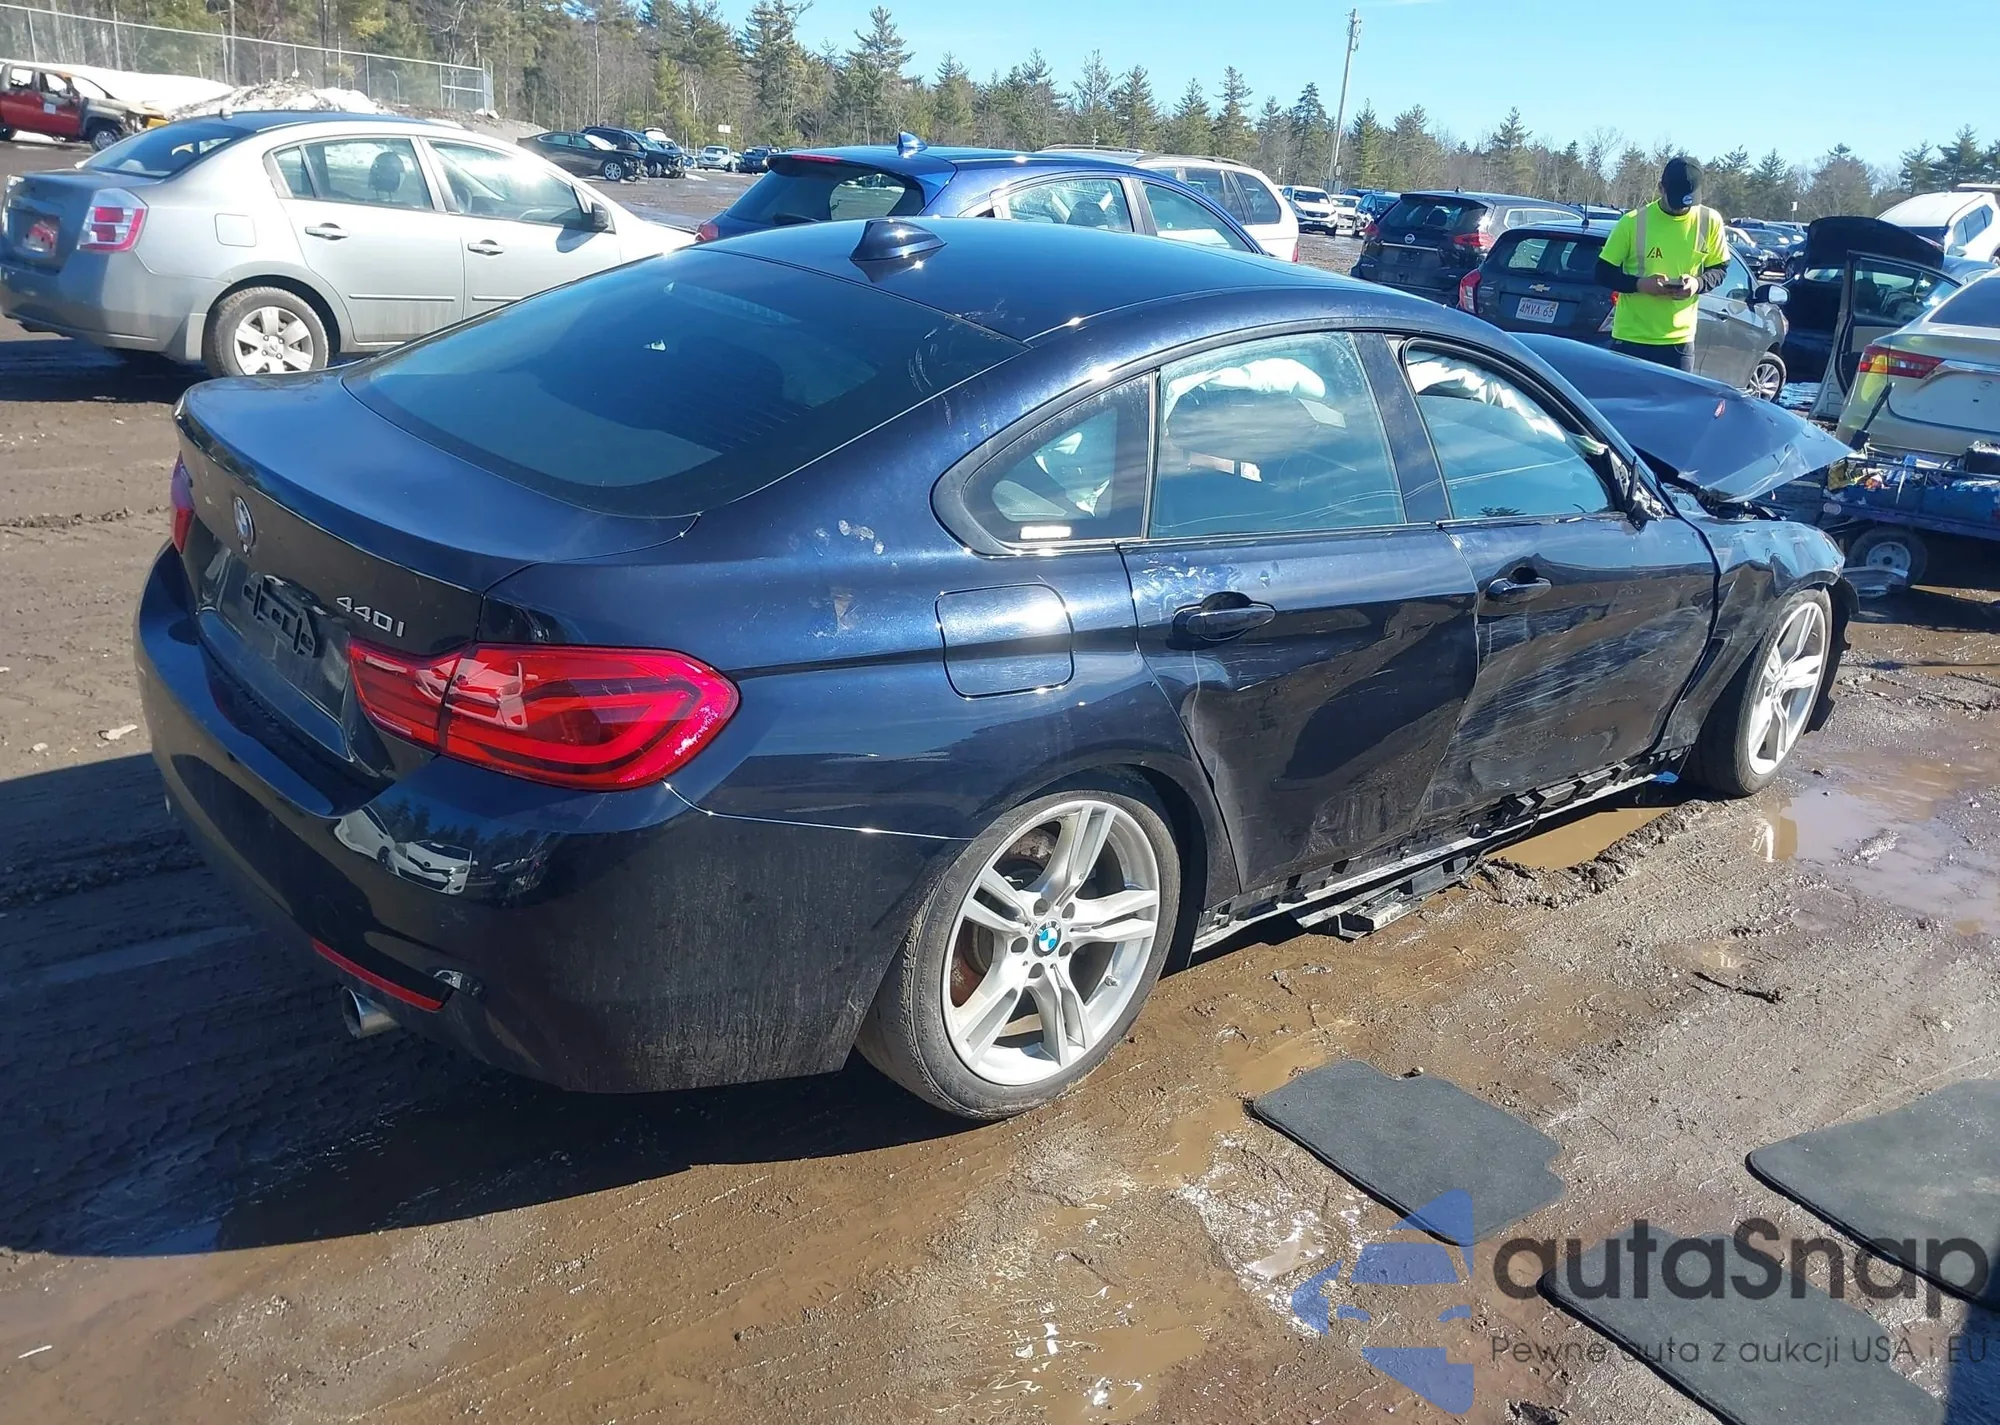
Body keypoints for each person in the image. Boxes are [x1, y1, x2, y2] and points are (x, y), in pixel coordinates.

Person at [1594, 157, 1729, 371]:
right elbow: (1602, 273)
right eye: (1676, 203)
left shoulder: (1710, 221)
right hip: (1631, 339)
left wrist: (1696, 284)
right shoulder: (1633, 222)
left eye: (1688, 203)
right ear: (1661, 188)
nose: (1681, 209)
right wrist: (1640, 285)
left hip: (1679, 342)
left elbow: (1719, 269)